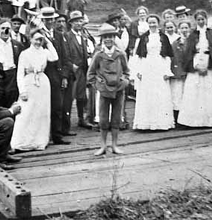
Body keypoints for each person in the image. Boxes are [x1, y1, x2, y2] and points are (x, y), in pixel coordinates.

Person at [11, 31, 59, 151]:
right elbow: (20, 74)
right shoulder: (25, 53)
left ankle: (39, 141)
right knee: (26, 112)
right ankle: (20, 142)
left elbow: (55, 57)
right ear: (30, 39)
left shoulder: (44, 52)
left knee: (41, 112)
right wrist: (22, 90)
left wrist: (47, 42)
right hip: (29, 83)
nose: (38, 42)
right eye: (36, 39)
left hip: (42, 83)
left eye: (40, 40)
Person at [87, 24, 130, 156]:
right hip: (104, 91)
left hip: (118, 90)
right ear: (102, 39)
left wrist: (123, 81)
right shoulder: (99, 55)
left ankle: (115, 145)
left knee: (116, 117)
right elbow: (91, 75)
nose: (108, 40)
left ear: (114, 38)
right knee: (103, 118)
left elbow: (127, 71)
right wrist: (99, 85)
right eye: (105, 37)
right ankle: (103, 146)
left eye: (111, 37)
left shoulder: (120, 54)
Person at [178, 10, 212, 128]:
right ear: (195, 21)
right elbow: (189, 51)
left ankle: (211, 120)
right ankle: (193, 120)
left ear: (206, 20)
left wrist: (209, 65)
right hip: (196, 60)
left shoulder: (211, 33)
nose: (201, 21)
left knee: (209, 91)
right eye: (198, 19)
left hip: (209, 61)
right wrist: (196, 65)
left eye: (203, 19)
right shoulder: (193, 34)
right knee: (195, 91)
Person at [131, 14, 175, 130]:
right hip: (147, 66)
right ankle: (146, 123)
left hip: (160, 66)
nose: (152, 25)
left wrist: (167, 71)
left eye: (154, 22)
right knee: (147, 93)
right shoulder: (144, 37)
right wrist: (139, 70)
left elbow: (167, 56)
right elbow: (140, 55)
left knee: (160, 93)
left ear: (158, 23)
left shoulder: (163, 37)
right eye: (149, 23)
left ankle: (161, 123)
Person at [39, 7, 72, 143]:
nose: (50, 22)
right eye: (46, 19)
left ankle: (57, 136)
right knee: (42, 106)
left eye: (51, 19)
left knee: (58, 106)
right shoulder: (38, 34)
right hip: (42, 74)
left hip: (57, 75)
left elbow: (65, 58)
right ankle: (43, 136)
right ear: (43, 20)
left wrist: (64, 76)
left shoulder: (59, 35)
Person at [64, 10, 92, 129]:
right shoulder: (67, 36)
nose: (78, 24)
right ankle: (66, 122)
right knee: (70, 97)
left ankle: (82, 119)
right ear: (71, 23)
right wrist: (71, 65)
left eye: (80, 21)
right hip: (73, 71)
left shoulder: (84, 36)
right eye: (75, 22)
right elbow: (64, 54)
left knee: (82, 97)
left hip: (83, 69)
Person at [170, 21, 191, 124]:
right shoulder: (175, 43)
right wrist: (180, 72)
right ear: (178, 30)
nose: (184, 30)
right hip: (180, 72)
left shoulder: (193, 42)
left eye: (186, 28)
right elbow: (176, 59)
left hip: (191, 72)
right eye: (182, 28)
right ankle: (178, 118)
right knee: (178, 94)